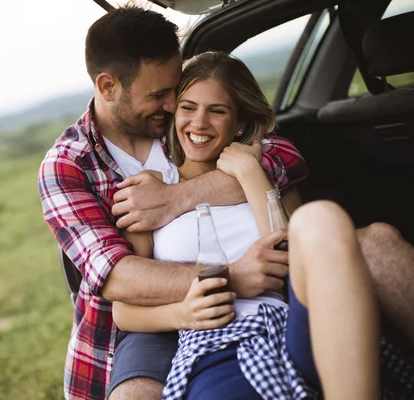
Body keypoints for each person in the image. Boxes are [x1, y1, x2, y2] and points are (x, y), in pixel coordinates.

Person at [38, 6, 309, 400]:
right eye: (159, 94)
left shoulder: (182, 129)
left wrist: (173, 198)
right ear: (108, 86)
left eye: (175, 88)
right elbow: (116, 278)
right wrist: (230, 277)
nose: (171, 103)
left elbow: (282, 157)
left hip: (254, 310)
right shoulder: (69, 164)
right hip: (144, 323)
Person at [111, 51, 381, 400]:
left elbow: (293, 259)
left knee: (321, 218)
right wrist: (183, 313)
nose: (199, 123)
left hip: (291, 324)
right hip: (216, 340)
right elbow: (123, 311)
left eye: (217, 111)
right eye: (188, 107)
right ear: (174, 111)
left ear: (239, 122)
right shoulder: (149, 189)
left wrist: (250, 171)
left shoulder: (263, 170)